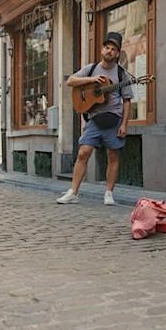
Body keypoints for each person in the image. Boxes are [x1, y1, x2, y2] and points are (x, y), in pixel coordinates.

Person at [57, 31, 133, 206]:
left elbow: (127, 101)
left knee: (113, 155)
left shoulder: (122, 75)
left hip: (114, 119)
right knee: (83, 153)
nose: (109, 51)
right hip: (94, 119)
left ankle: (108, 193)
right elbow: (70, 81)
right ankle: (73, 192)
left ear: (117, 53)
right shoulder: (91, 69)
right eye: (107, 47)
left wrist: (124, 124)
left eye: (113, 49)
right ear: (102, 49)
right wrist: (91, 79)